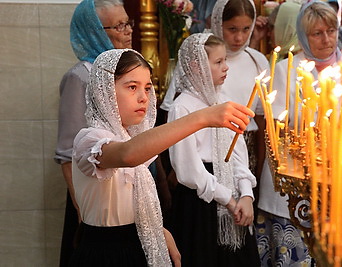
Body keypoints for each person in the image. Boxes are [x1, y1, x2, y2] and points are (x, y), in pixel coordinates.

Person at [69, 48, 255, 266]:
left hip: (138, 243)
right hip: (106, 252)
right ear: (105, 92)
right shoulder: (89, 140)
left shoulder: (130, 137)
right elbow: (128, 154)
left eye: (148, 88)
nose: (143, 97)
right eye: (132, 87)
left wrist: (157, 231)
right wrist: (203, 117)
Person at [257, 1, 342, 266]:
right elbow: (276, 130)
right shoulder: (285, 71)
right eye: (317, 33)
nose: (327, 39)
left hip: (337, 186)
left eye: (331, 30)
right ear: (304, 36)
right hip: (291, 186)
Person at [167, 33, 260, 267]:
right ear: (196, 66)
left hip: (233, 194)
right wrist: (228, 199)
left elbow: (238, 152)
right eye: (218, 62)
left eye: (225, 60)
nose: (226, 67)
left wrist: (246, 194)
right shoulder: (182, 107)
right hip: (200, 205)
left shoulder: (223, 100)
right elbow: (188, 170)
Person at [54, 0, 133, 265]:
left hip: (125, 191)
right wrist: (82, 211)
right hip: (94, 198)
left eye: (127, 22)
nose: (128, 31)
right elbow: (67, 153)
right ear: (95, 32)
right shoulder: (81, 76)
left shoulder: (126, 72)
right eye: (118, 26)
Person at [210, 0, 270, 205]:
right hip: (211, 144)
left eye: (246, 29)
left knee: (245, 210)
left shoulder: (257, 60)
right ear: (218, 24)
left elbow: (263, 118)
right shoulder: (205, 58)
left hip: (249, 145)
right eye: (232, 29)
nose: (239, 37)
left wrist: (261, 167)